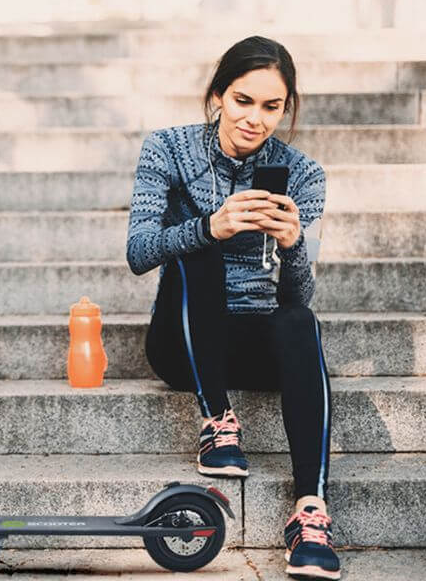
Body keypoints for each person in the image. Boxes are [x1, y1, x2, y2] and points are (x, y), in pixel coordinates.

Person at [126, 36, 340, 580]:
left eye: (272, 107)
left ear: (285, 107)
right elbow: (138, 253)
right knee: (197, 254)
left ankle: (310, 513)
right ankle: (217, 420)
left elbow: (297, 297)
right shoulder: (166, 148)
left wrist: (292, 247)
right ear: (218, 94)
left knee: (299, 320)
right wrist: (211, 227)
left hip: (258, 340)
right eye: (243, 100)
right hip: (184, 344)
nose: (255, 119)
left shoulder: (305, 174)